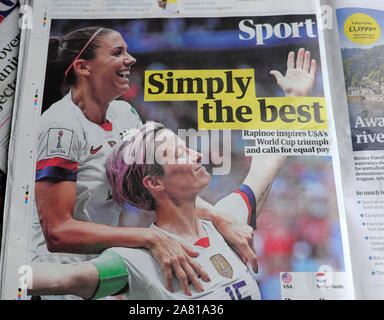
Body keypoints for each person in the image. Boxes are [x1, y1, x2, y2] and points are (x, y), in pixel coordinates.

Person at [33, 26, 267, 298]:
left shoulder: (125, 114)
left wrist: (218, 216)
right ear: (84, 68)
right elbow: (57, 232)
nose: (131, 59)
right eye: (118, 52)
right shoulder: (60, 128)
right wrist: (150, 237)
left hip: (108, 269)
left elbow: (162, 181)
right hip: (58, 278)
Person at [28, 122, 287, 299]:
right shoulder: (136, 260)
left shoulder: (227, 224)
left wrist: (295, 95)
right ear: (154, 182)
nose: (197, 155)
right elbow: (62, 279)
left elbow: (266, 164)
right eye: (179, 153)